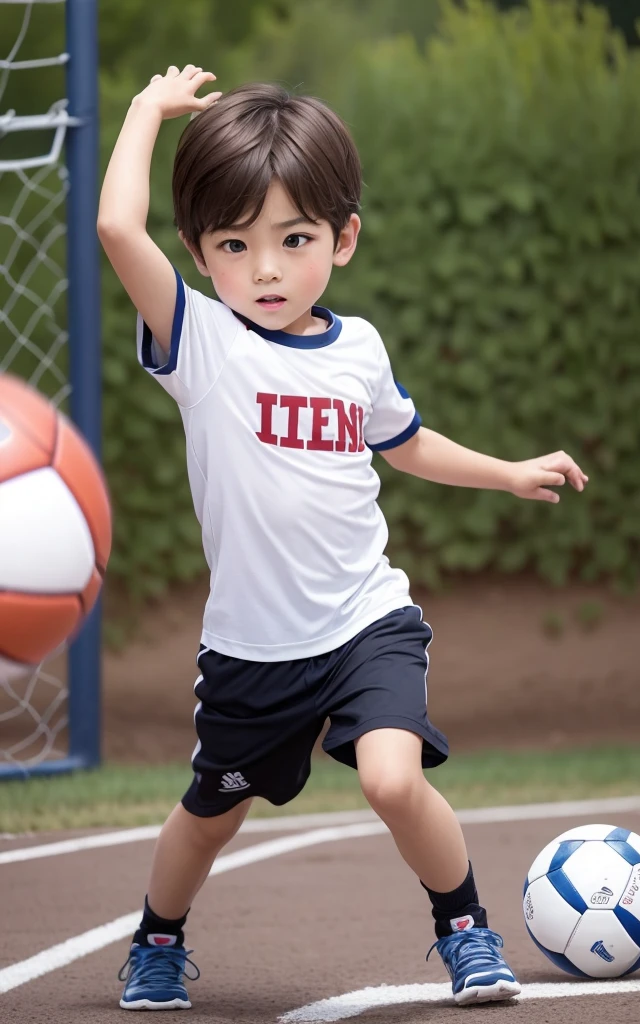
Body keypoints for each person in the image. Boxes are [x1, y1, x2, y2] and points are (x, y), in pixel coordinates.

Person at [98, 65, 588, 1012]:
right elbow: (120, 228)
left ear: (343, 238)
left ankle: (468, 935)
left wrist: (509, 470)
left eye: (294, 239)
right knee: (211, 816)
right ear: (199, 254)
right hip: (253, 649)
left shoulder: (358, 350)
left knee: (393, 782)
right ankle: (157, 940)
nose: (267, 268)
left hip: (366, 620)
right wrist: (144, 112)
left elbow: (406, 445)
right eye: (235, 245)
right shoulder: (199, 341)